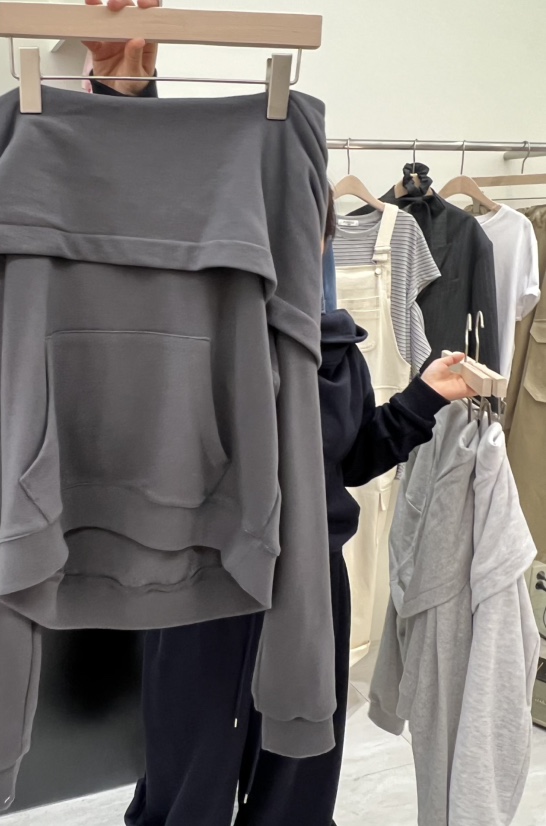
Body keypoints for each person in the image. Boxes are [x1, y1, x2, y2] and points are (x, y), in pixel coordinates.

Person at [83, 3, 477, 824]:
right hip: (197, 583)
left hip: (309, 587)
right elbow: (135, 214)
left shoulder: (332, 347)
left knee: (297, 783)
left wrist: (421, 399)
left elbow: (350, 456)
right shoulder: (181, 338)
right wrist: (126, 92)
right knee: (186, 782)